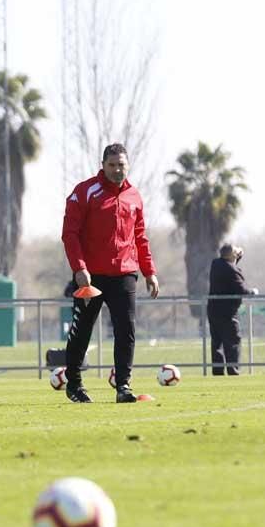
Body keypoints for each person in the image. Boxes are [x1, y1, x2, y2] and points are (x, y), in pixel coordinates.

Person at [61, 142, 159, 403]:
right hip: (90, 276)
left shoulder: (134, 196)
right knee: (82, 330)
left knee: (126, 330)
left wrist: (149, 272)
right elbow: (70, 235)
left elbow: (140, 237)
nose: (117, 170)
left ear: (128, 165)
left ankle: (123, 387)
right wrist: (79, 268)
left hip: (125, 273)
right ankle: (74, 385)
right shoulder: (84, 192)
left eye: (122, 165)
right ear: (103, 165)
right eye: (112, 165)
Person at [207, 243, 257, 375]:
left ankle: (217, 371)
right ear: (233, 256)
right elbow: (242, 290)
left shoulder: (215, 264)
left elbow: (230, 265)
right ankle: (233, 370)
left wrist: (237, 255)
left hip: (213, 310)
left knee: (217, 343)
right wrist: (253, 292)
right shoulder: (232, 270)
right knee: (233, 341)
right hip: (227, 312)